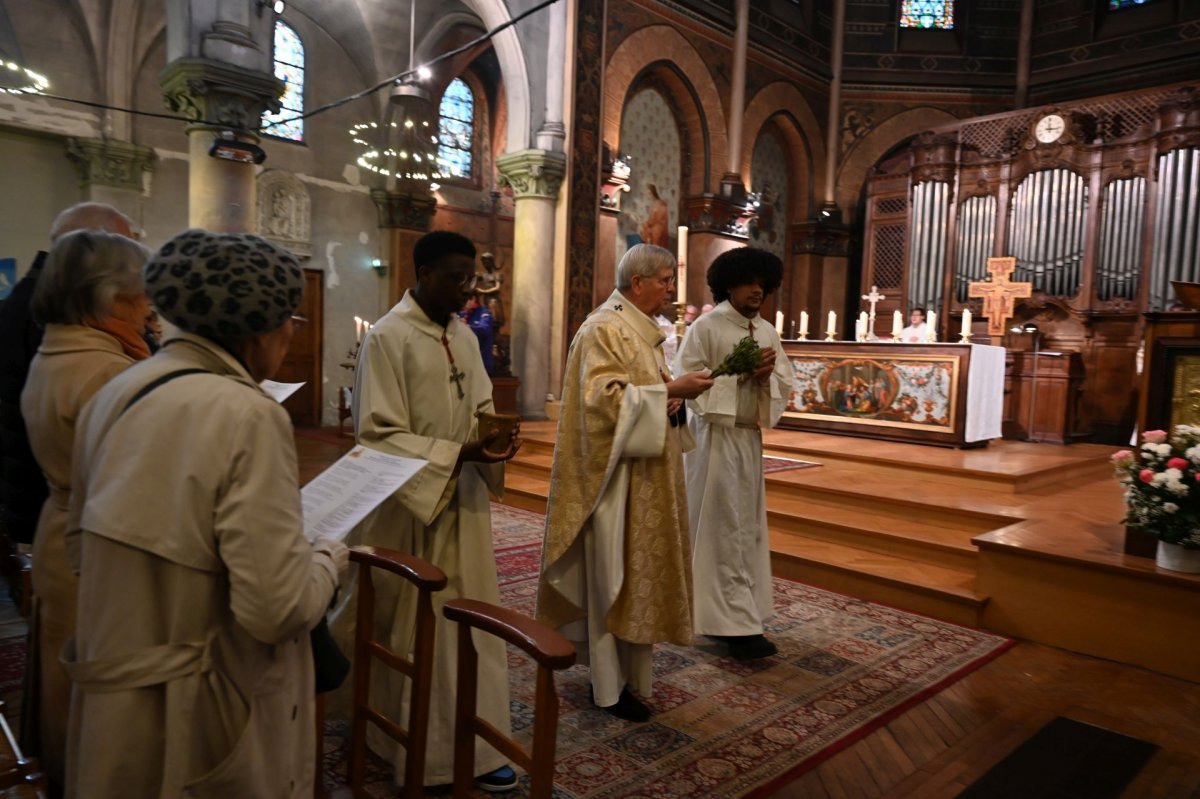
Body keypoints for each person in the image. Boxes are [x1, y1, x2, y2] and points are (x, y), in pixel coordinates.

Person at [63, 229, 348, 798]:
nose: (292, 335)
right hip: (203, 706)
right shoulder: (248, 412)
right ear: (260, 326)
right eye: (292, 319)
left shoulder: (117, 391)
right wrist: (327, 558)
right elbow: (278, 608)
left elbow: (78, 549)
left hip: (112, 694)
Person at [351, 230, 521, 792]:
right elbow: (376, 434)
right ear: (421, 273)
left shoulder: (465, 337)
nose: (466, 290)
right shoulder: (388, 338)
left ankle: (474, 741)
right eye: (454, 277)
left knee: (471, 622)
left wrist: (493, 441)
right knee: (415, 626)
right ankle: (410, 742)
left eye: (469, 278)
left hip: (464, 499)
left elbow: (480, 407)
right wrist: (453, 454)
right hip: (411, 505)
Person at [539, 243, 713, 722]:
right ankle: (608, 687)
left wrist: (669, 398)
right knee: (612, 577)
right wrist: (670, 391)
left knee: (638, 579)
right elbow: (602, 403)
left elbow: (645, 392)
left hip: (646, 474)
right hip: (613, 482)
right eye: (664, 281)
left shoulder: (639, 330)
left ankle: (633, 681)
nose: (670, 291)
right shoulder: (603, 328)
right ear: (637, 283)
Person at [19, 227, 151, 791]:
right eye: (142, 293)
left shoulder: (58, 350)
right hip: (96, 541)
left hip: (59, 525)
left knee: (62, 676)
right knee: (96, 692)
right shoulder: (108, 372)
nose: (150, 308)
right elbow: (142, 485)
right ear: (108, 299)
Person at [674, 247, 795, 660]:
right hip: (713, 438)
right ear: (729, 284)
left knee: (745, 529)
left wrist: (765, 379)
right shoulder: (706, 327)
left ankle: (743, 612)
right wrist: (738, 374)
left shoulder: (767, 331)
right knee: (720, 527)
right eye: (749, 281)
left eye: (763, 283)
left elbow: (784, 381)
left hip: (746, 440)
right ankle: (728, 623)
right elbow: (684, 381)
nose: (757, 290)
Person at [0, 203, 135, 555]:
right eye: (124, 254)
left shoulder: (35, 305)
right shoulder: (95, 361)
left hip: (48, 507)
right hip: (69, 515)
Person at [460, 293, 496, 375]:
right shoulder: (462, 313)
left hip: (482, 364)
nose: (465, 303)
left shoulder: (484, 312)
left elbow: (485, 329)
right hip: (465, 364)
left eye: (467, 299)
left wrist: (468, 327)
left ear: (473, 299)